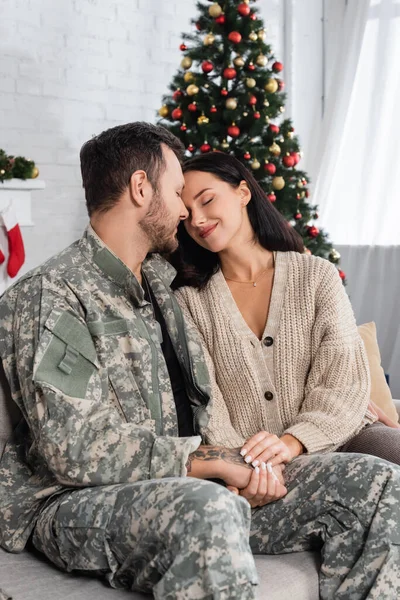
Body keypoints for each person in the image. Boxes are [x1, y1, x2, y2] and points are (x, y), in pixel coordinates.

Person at [0, 124, 398, 600]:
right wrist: (209, 461)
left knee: (378, 484)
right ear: (141, 188)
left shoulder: (162, 288)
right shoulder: (54, 294)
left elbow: (220, 396)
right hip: (74, 500)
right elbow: (71, 447)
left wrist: (256, 458)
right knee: (208, 508)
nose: (187, 210)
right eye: (176, 192)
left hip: (193, 482)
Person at [173, 151, 400, 468]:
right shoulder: (190, 302)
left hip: (343, 436)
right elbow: (209, 407)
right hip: (255, 461)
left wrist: (293, 443)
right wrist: (249, 462)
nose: (196, 219)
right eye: (186, 214)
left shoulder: (316, 276)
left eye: (207, 200)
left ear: (243, 193)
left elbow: (343, 382)